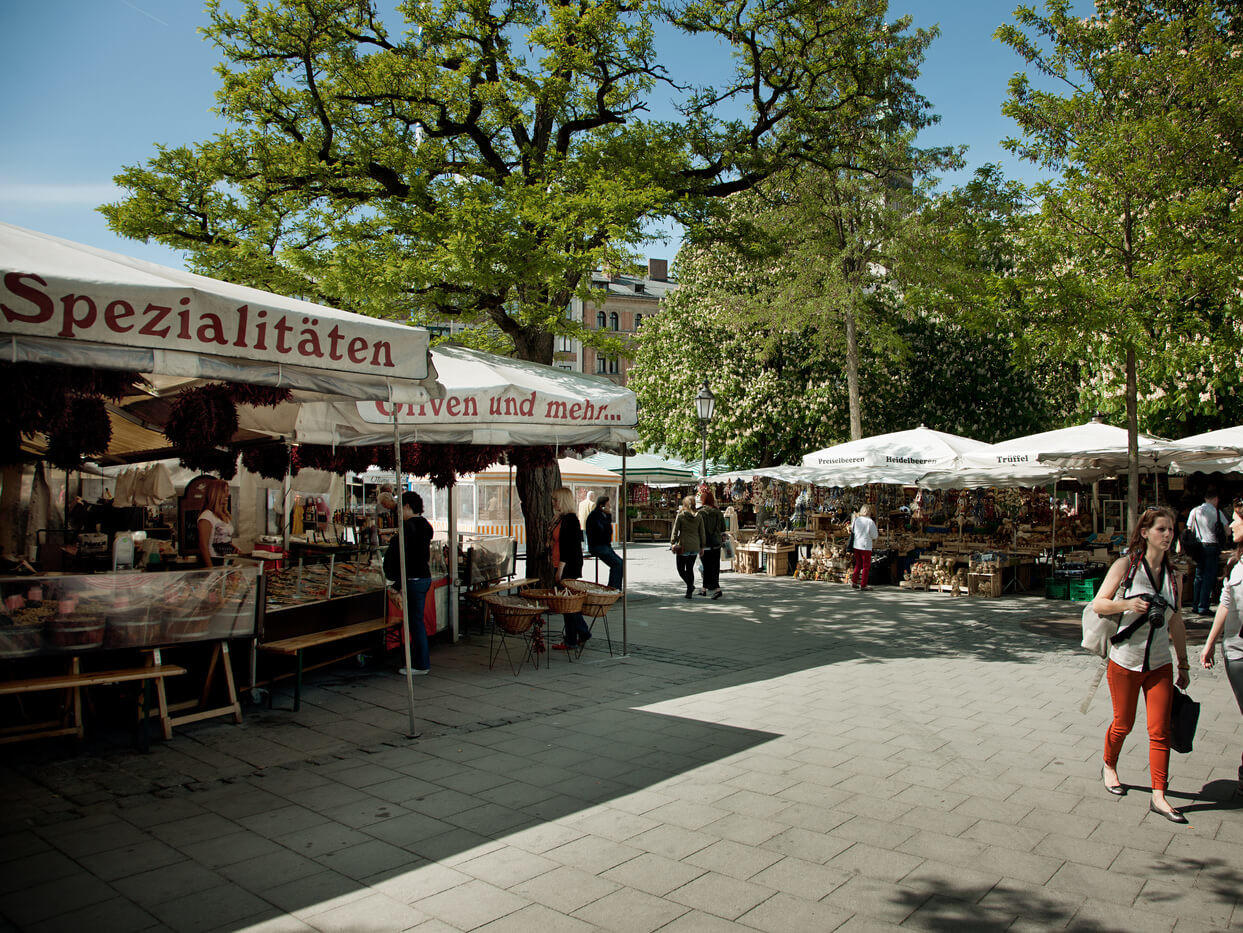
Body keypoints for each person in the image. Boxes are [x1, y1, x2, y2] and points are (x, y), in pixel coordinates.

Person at [1092, 505, 1190, 823]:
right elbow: (1099, 604)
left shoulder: (1175, 576)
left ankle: (1159, 795)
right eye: (1162, 529)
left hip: (1160, 663)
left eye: (1172, 530)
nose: (1168, 535)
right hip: (1125, 661)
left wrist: (1184, 664)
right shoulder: (1126, 566)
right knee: (1123, 723)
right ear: (1145, 533)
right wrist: (1128, 603)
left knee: (1160, 730)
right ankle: (1109, 765)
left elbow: (1176, 622)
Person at [1198, 498, 1243, 795]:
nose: (1232, 525)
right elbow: (1226, 604)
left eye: (1238, 519)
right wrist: (1210, 643)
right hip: (1236, 652)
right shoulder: (1237, 563)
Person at [383, 491, 434, 675]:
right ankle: (420, 662)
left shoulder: (408, 527)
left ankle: (420, 665)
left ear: (407, 506)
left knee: (415, 623)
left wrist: (397, 584)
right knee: (416, 621)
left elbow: (407, 559)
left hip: (413, 578)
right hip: (424, 577)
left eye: (400, 508)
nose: (399, 513)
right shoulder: (425, 525)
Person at [550, 486, 591, 650]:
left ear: (563, 501)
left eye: (556, 499)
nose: (553, 502)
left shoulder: (570, 520)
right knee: (568, 604)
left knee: (568, 605)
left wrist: (560, 570)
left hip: (566, 566)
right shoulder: (561, 518)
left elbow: (569, 548)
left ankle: (573, 638)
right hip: (560, 563)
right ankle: (578, 634)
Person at [1189, 489, 1230, 616]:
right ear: (1215, 499)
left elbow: (1189, 529)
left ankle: (1195, 605)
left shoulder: (1195, 511)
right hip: (1212, 546)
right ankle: (1203, 606)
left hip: (1198, 546)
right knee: (1209, 577)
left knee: (1198, 576)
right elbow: (1228, 531)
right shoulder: (1217, 512)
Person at [585, 495, 623, 591]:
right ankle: (614, 588)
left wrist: (608, 516)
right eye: (608, 504)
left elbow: (608, 531)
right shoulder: (595, 516)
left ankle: (613, 587)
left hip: (604, 545)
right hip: (598, 545)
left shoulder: (602, 516)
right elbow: (604, 531)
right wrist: (608, 517)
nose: (609, 506)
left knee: (619, 563)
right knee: (617, 564)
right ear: (602, 506)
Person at [671, 495, 705, 599]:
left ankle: (690, 586)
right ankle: (689, 590)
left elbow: (675, 530)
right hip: (695, 546)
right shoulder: (699, 516)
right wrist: (702, 546)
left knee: (681, 569)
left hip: (684, 545)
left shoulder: (681, 515)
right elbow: (702, 532)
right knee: (689, 568)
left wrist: (673, 542)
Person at [197, 479, 236, 567]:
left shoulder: (225, 515)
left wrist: (233, 548)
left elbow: (224, 539)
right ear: (215, 493)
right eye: (224, 491)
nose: (227, 494)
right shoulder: (207, 516)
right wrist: (211, 569)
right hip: (214, 561)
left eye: (227, 491)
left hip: (226, 561)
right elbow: (203, 545)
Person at [697, 491, 726, 599]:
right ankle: (704, 589)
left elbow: (698, 529)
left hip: (705, 544)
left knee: (707, 568)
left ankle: (717, 589)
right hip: (716, 543)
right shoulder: (718, 512)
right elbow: (723, 528)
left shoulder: (700, 513)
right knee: (714, 567)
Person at [850, 505, 878, 590]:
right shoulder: (870, 522)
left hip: (856, 544)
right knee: (866, 566)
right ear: (869, 511)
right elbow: (874, 535)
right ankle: (863, 584)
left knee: (858, 564)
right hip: (865, 546)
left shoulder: (856, 520)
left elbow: (853, 530)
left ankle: (854, 581)